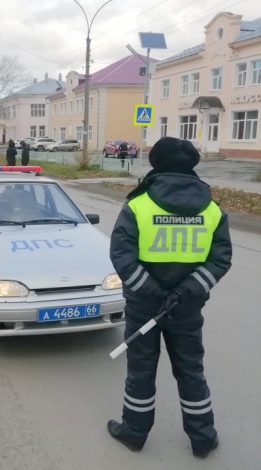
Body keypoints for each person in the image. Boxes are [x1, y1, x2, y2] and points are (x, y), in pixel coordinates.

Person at [107, 136, 232, 459]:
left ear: (156, 164)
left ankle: (134, 433)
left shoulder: (138, 205)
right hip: (187, 308)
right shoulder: (212, 209)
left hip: (143, 309)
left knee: (141, 371)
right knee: (191, 371)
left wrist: (152, 293)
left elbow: (122, 256)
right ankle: (203, 438)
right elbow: (220, 259)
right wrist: (184, 293)